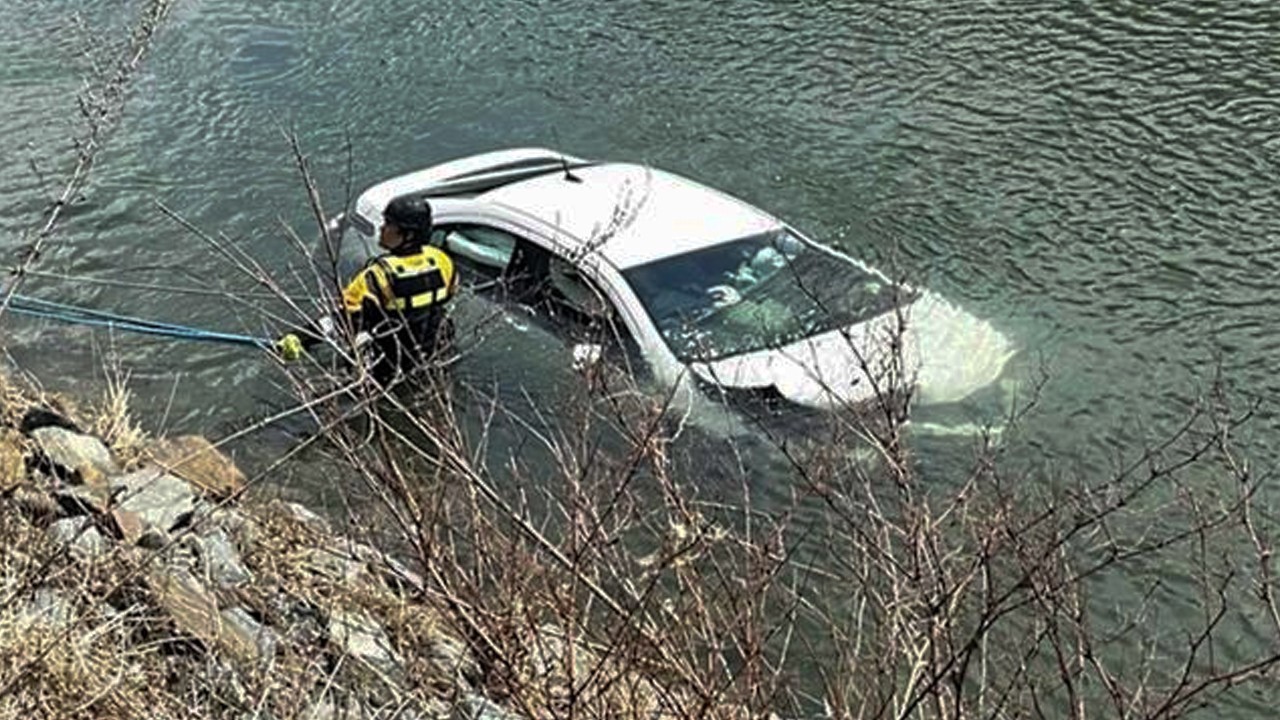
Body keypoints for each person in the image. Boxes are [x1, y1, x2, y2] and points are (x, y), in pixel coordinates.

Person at [276, 196, 458, 385]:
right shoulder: (443, 261)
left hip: (389, 370)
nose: (381, 228)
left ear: (408, 235)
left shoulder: (377, 276)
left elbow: (342, 322)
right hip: (435, 356)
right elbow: (447, 295)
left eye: (389, 224)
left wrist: (300, 337)